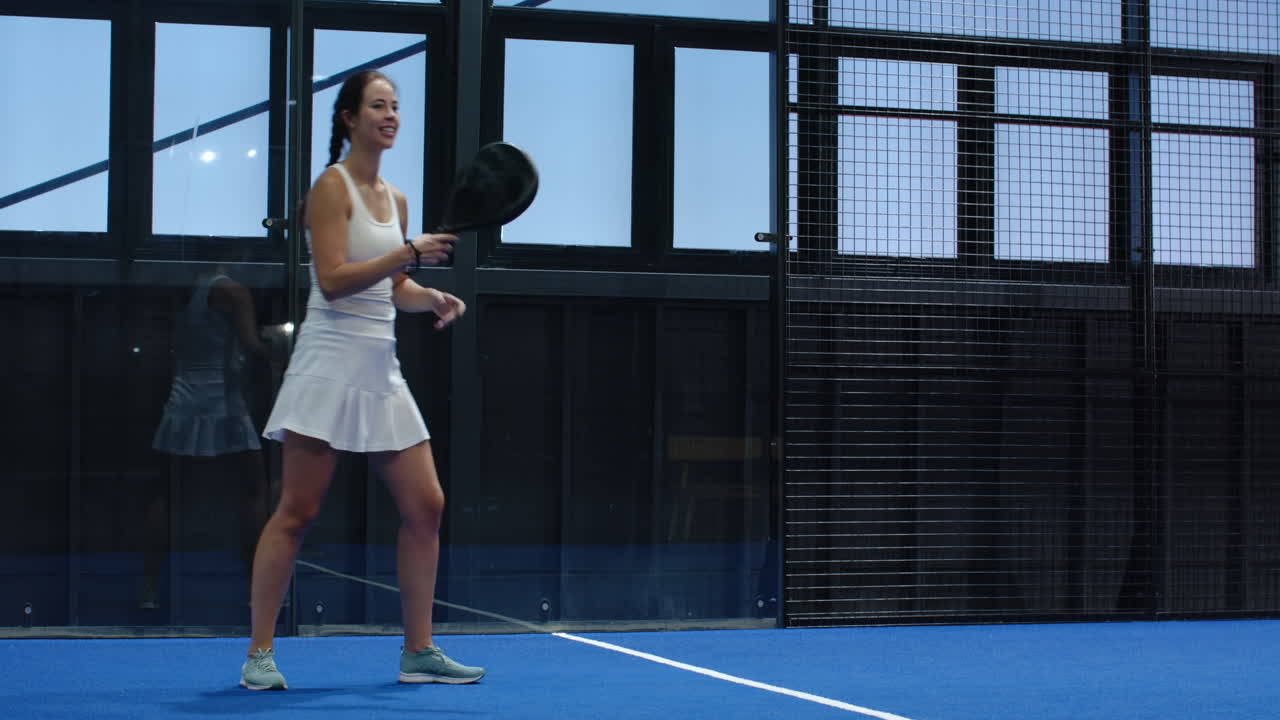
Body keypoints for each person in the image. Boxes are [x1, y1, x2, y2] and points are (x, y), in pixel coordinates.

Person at [240, 69, 481, 691]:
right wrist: (407, 254)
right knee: (297, 511)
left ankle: (418, 651)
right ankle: (259, 656)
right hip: (328, 363)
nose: (391, 114)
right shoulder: (331, 186)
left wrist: (429, 297)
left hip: (381, 367)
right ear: (350, 117)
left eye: (396, 106)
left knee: (427, 506)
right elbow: (334, 279)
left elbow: (391, 288)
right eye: (378, 105)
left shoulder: (396, 200)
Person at [148, 260, 273, 614]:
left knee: (163, 493)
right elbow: (251, 345)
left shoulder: (185, 289)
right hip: (223, 401)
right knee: (254, 490)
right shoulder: (232, 290)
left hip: (182, 399)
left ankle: (148, 587)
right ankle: (256, 589)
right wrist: (279, 354)